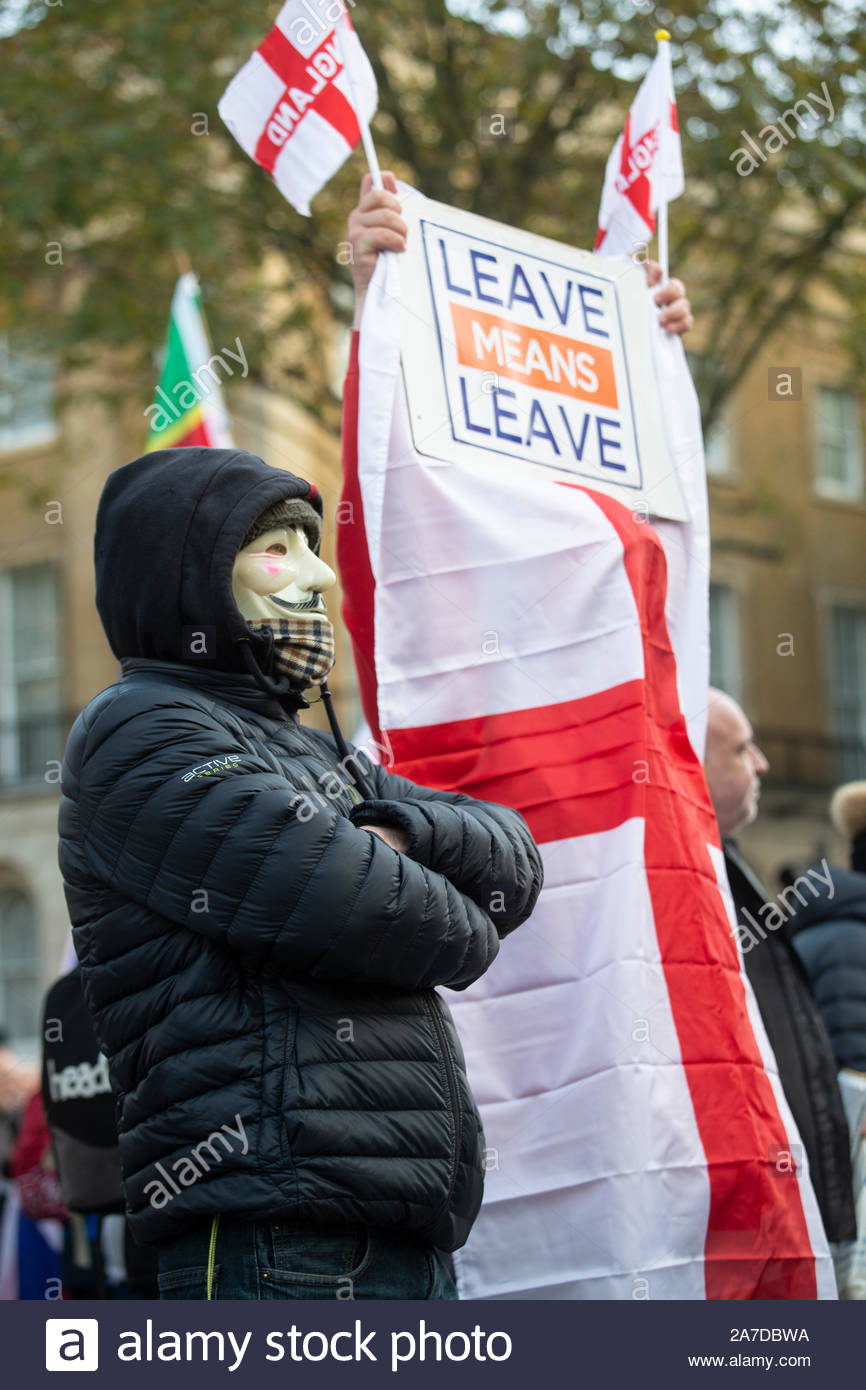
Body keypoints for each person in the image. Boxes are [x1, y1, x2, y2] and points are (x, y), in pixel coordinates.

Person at [57, 447, 543, 1301]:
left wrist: (392, 829)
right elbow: (377, 911)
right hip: (277, 1239)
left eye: (312, 546)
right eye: (277, 547)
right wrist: (438, 898)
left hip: (395, 1236)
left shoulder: (315, 750)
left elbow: (514, 860)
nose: (318, 576)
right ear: (187, 574)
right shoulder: (140, 730)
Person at [704, 687, 856, 1247]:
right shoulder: (699, 875)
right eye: (743, 749)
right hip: (759, 1224)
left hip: (798, 1209)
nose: (762, 763)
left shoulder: (730, 866)